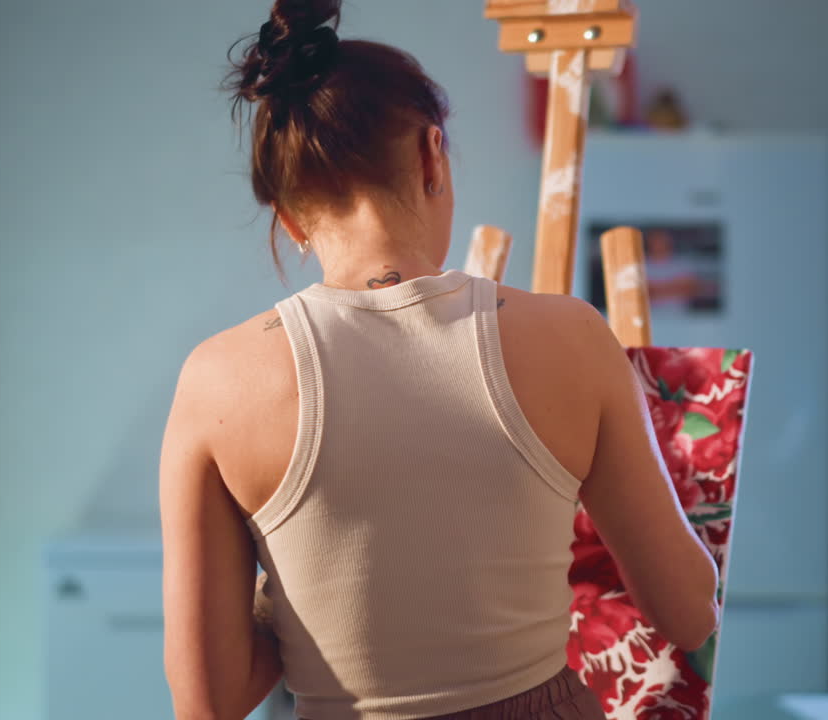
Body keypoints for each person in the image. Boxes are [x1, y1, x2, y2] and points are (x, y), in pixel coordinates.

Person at [158, 2, 720, 718]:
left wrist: (292, 587)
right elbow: (687, 612)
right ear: (431, 155)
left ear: (290, 218)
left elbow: (206, 703)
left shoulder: (218, 382)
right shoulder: (573, 339)